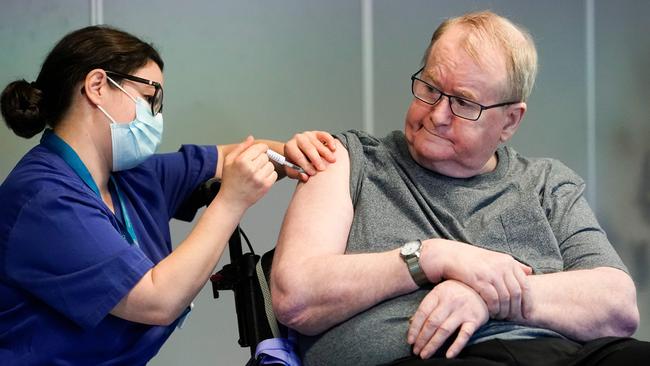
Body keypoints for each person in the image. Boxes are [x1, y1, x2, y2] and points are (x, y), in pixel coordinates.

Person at [271, 10, 650, 366]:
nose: (437, 115)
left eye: (463, 103)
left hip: (557, 353)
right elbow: (295, 296)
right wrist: (429, 258)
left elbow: (618, 307)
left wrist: (491, 298)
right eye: (431, 89)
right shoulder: (346, 160)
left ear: (509, 121)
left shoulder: (546, 184)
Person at [0, 25, 336, 365]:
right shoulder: (43, 200)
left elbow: (231, 157)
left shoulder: (132, 178)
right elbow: (158, 299)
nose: (155, 117)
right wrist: (231, 201)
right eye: (149, 99)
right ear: (97, 86)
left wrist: (294, 152)